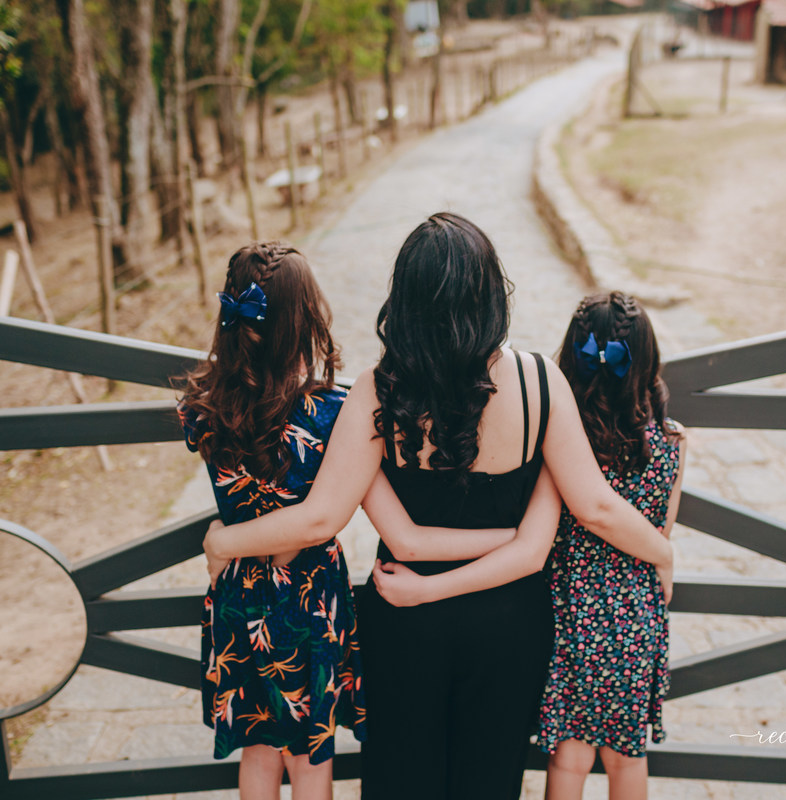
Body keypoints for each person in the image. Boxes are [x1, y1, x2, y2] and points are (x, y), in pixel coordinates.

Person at [202, 213, 675, 800]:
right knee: (488, 778)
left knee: (404, 779)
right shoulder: (538, 381)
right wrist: (662, 552)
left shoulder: (378, 389)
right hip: (509, 622)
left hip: (404, 618)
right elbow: (597, 510)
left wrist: (223, 540)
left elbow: (324, 517)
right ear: (489, 295)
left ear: (403, 302)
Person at [178, 242, 366, 800]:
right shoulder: (330, 411)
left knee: (259, 750)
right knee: (310, 759)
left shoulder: (203, 408)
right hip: (308, 601)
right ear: (303, 320)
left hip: (238, 596)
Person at [538, 292, 685, 800]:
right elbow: (662, 532)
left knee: (570, 756)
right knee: (627, 757)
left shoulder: (559, 439)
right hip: (636, 612)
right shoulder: (672, 441)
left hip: (570, 609)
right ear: (646, 358)